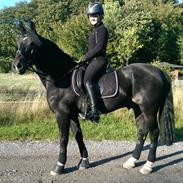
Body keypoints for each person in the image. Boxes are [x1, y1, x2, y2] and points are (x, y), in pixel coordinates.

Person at [81, 2, 109, 123]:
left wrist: (85, 57)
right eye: (91, 16)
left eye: (95, 15)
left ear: (101, 16)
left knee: (87, 80)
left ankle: (95, 111)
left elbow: (99, 48)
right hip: (93, 61)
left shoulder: (102, 30)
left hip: (100, 60)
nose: (93, 18)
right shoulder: (94, 31)